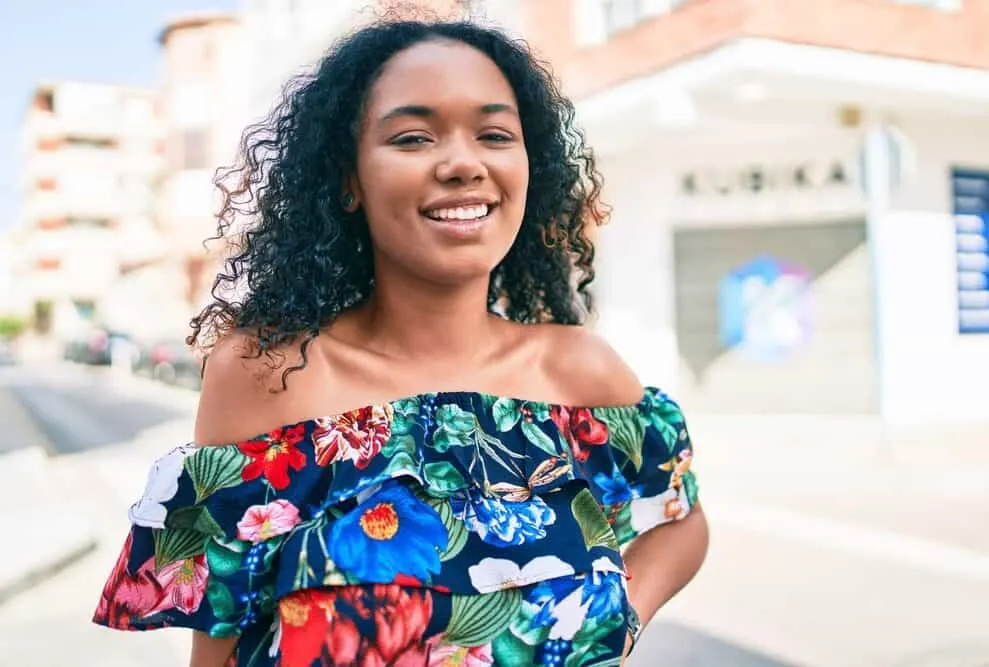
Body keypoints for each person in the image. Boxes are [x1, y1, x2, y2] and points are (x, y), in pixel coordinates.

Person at [92, 15, 709, 667]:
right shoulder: (268, 369)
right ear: (349, 180)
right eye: (413, 137)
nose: (464, 163)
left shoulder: (580, 373)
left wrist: (608, 625)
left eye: (495, 134)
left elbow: (679, 519)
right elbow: (218, 626)